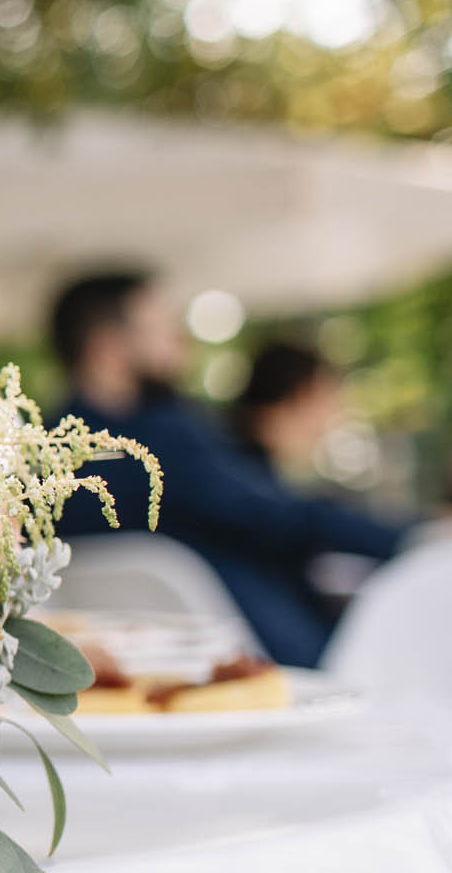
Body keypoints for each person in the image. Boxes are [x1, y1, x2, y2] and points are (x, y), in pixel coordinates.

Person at [50, 272, 411, 668]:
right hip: (274, 658)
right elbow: (280, 515)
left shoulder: (44, 457)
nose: (179, 339)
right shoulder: (163, 442)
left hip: (133, 680)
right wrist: (410, 535)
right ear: (107, 346)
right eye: (162, 327)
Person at [230, 340, 343, 475]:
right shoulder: (239, 474)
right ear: (300, 393)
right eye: (324, 402)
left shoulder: (242, 462)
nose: (327, 425)